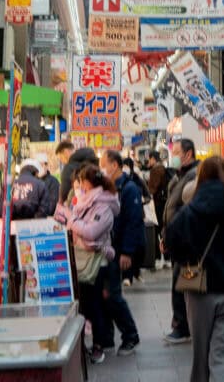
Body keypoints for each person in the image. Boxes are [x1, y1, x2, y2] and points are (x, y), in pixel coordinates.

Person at [166, 156, 224, 382]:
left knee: (201, 355)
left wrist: (188, 260)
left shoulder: (190, 211)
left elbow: (171, 240)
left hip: (199, 293)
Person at [67, 164, 120, 365]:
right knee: (87, 306)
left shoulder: (103, 206)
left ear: (88, 182)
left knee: (95, 306)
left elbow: (91, 233)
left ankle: (99, 345)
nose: (79, 185)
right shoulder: (84, 202)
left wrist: (72, 220)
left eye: (81, 181)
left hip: (97, 264)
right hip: (83, 260)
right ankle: (94, 344)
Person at [99, 149, 142, 356]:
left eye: (103, 165)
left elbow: (134, 222)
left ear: (114, 165)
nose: (101, 169)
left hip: (118, 250)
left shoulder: (129, 188)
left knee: (113, 295)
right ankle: (107, 339)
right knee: (106, 295)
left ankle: (131, 335)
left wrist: (127, 252)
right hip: (108, 249)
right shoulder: (108, 188)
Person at [163, 138, 198, 344]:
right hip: (176, 236)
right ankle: (183, 324)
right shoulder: (179, 176)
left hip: (186, 239)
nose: (173, 156)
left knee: (182, 282)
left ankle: (183, 326)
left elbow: (186, 210)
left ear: (188, 154)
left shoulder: (194, 176)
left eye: (176, 152)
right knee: (179, 281)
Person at [147, 149, 169, 268]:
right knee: (163, 228)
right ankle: (166, 257)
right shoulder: (163, 168)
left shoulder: (156, 170)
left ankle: (161, 257)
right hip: (164, 201)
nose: (148, 161)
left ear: (153, 159)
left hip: (158, 204)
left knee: (158, 229)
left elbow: (152, 188)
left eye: (149, 159)